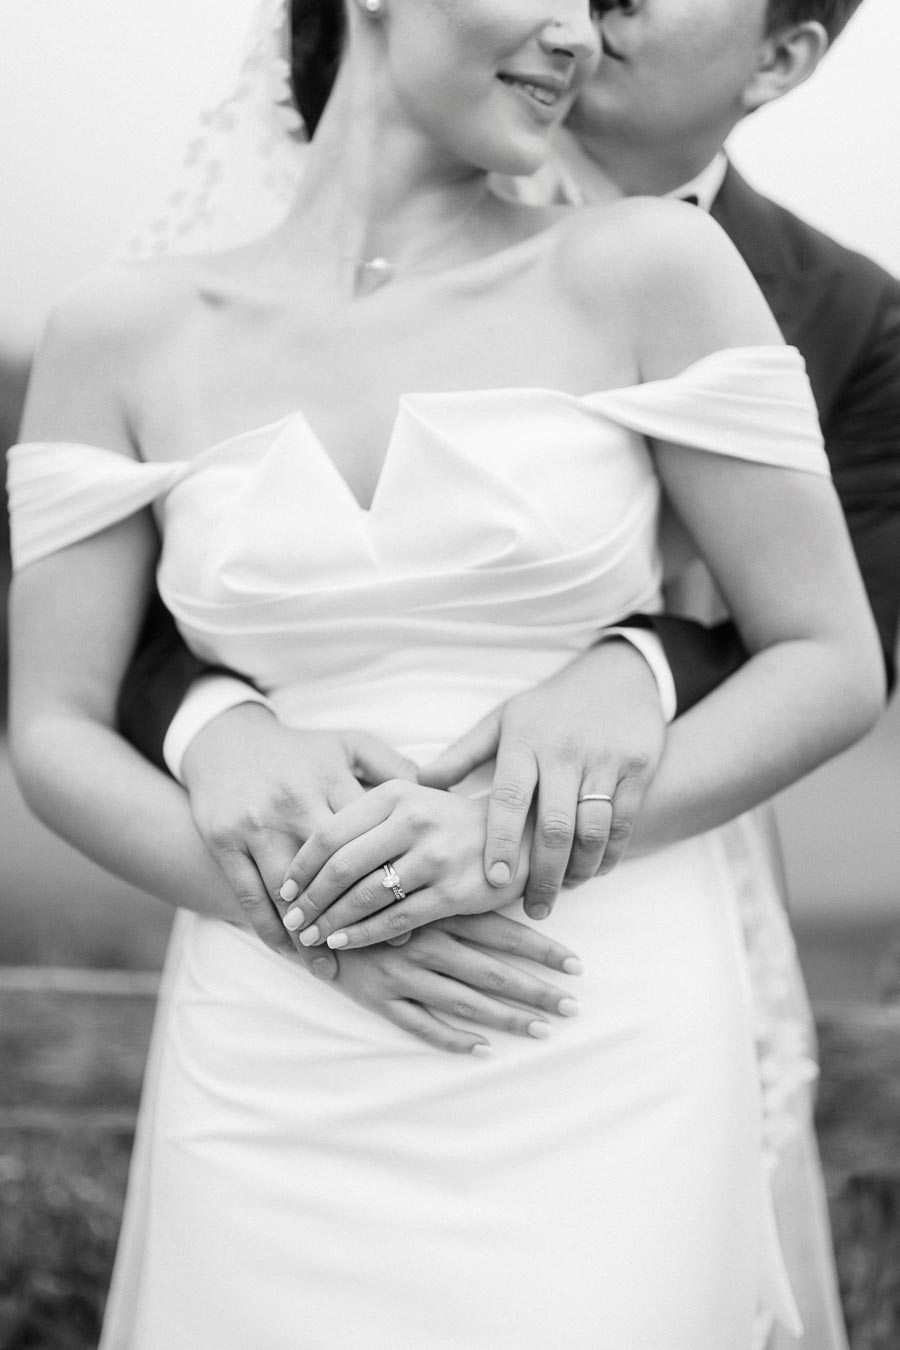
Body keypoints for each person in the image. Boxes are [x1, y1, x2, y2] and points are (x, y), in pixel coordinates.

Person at [6, 1, 884, 1347]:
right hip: (274, 1021)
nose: (578, 34)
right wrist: (293, 906)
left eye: (593, 8)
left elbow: (830, 655)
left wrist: (509, 830)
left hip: (582, 1003)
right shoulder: (118, 332)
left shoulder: (655, 268)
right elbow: (55, 722)